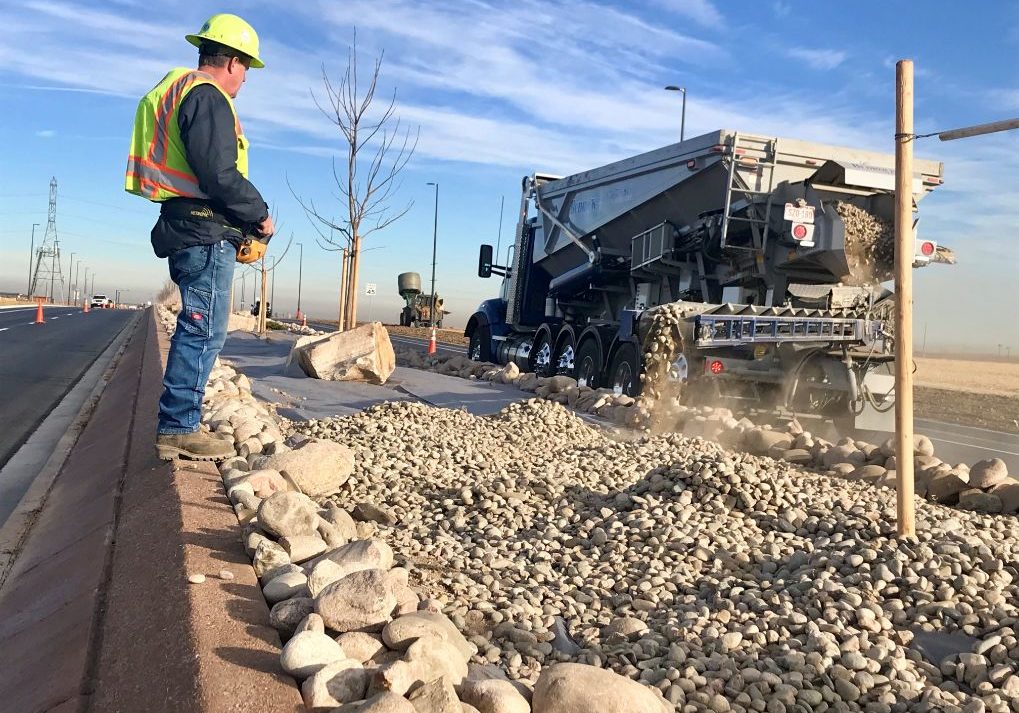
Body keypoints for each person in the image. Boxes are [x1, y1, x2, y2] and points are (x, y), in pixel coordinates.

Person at [125, 13, 274, 461]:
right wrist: (260, 214)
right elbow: (218, 173)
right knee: (203, 328)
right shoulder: (207, 96)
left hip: (187, 223)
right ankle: (178, 427)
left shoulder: (176, 90)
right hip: (204, 228)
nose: (245, 79)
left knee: (200, 325)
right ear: (230, 60)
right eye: (246, 68)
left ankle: (179, 421)